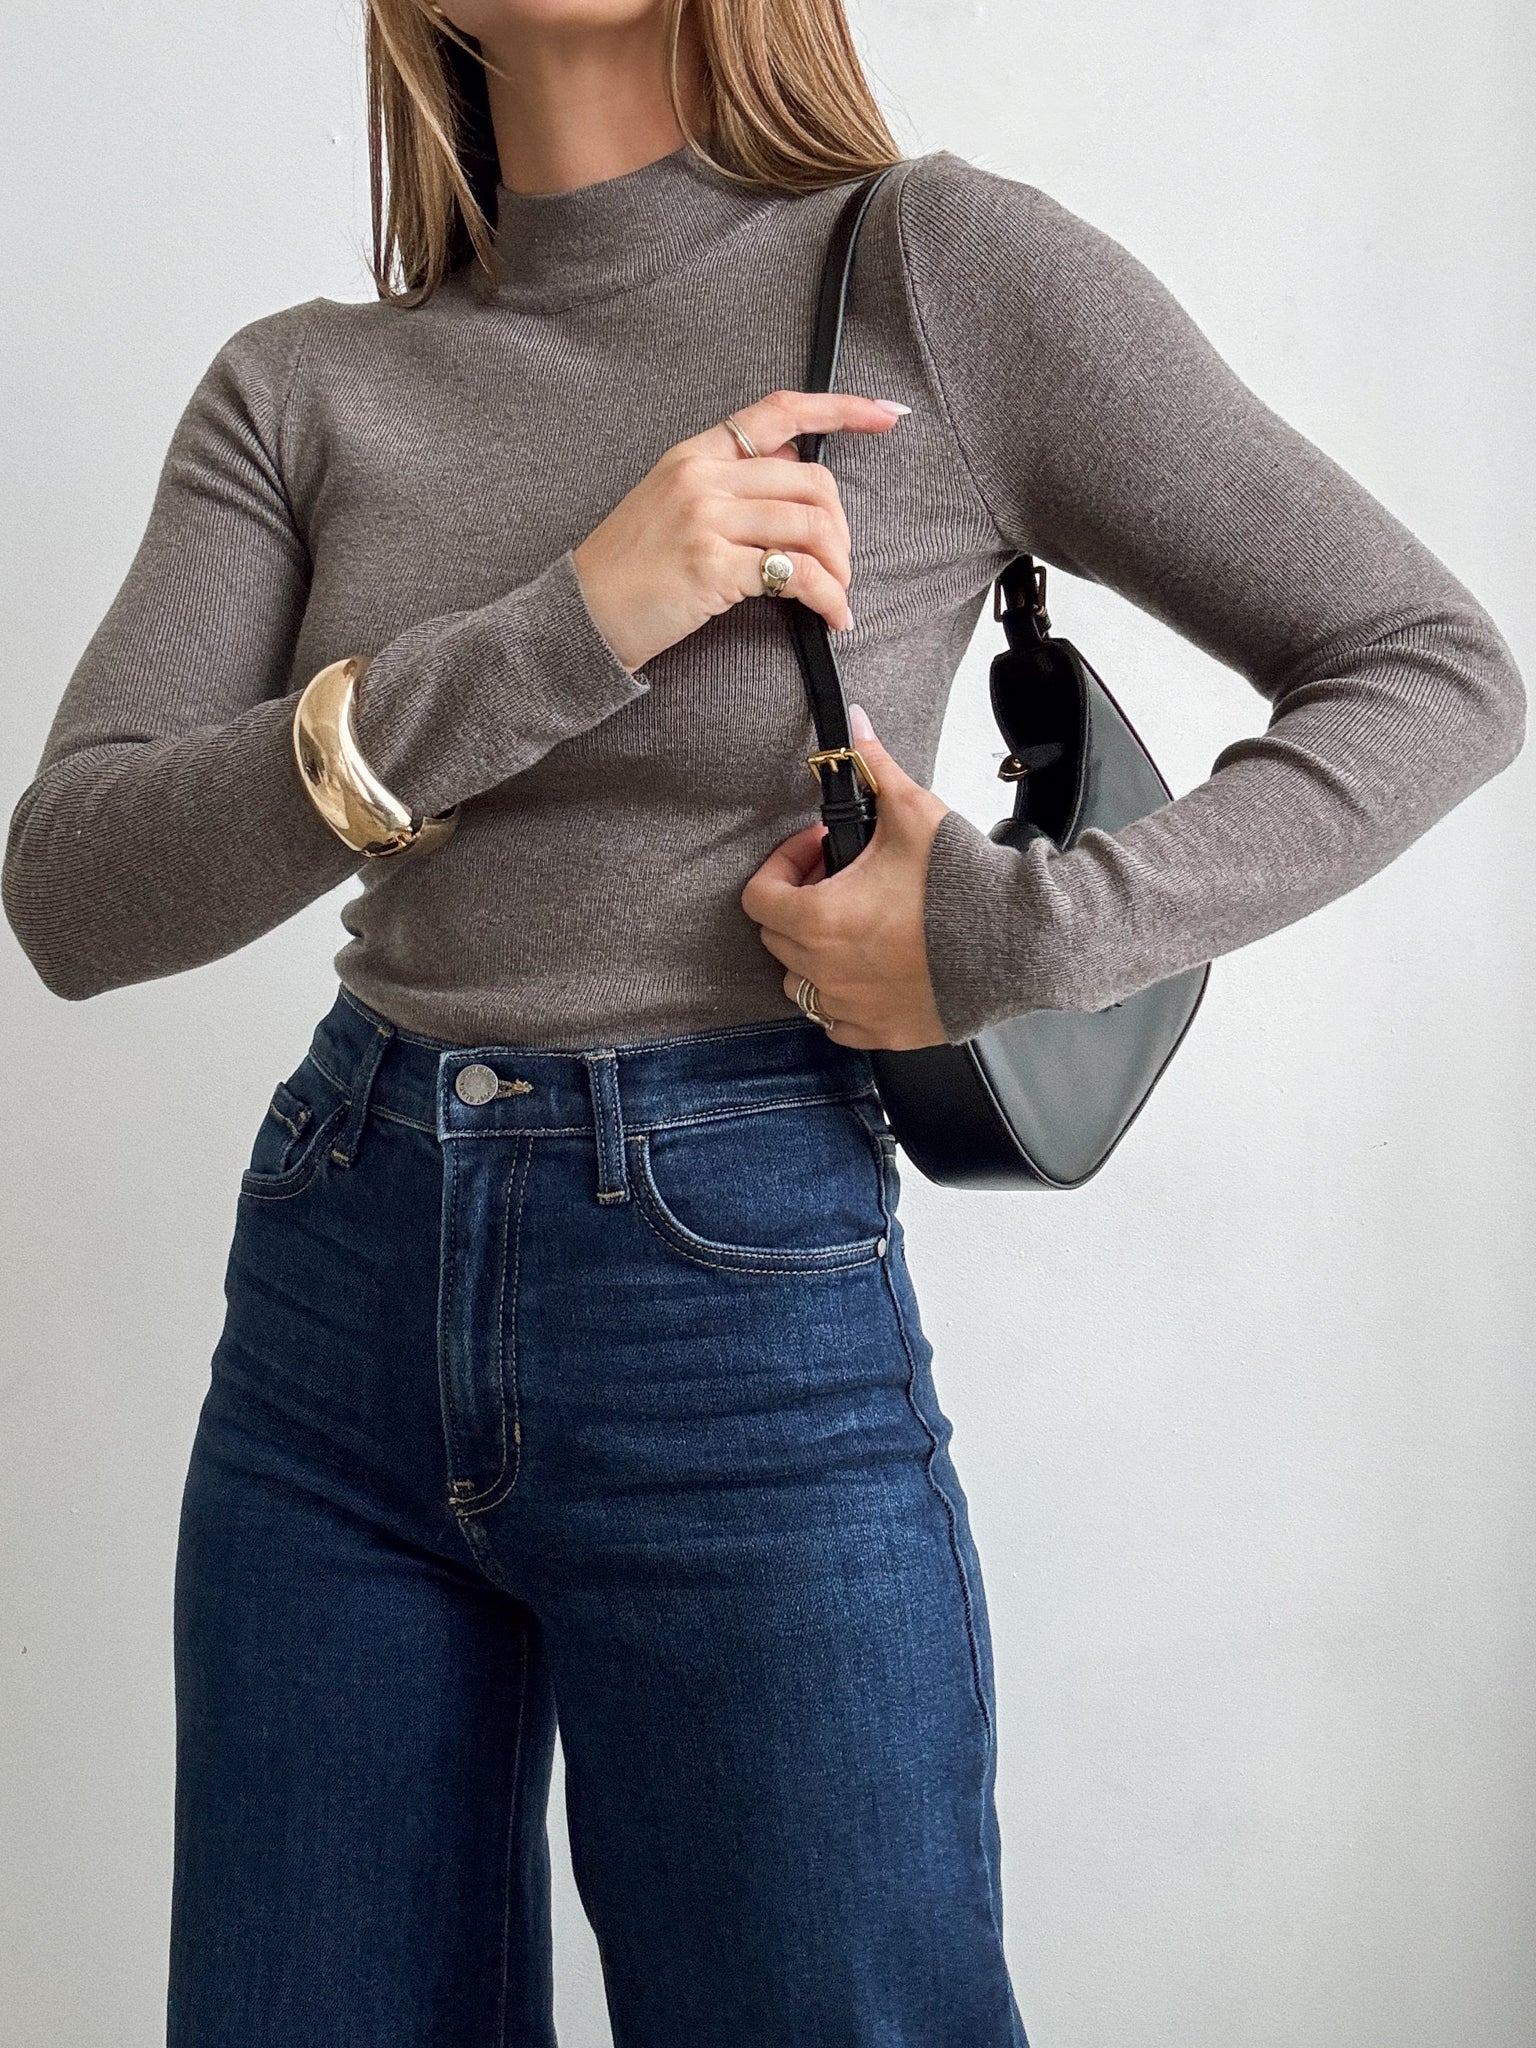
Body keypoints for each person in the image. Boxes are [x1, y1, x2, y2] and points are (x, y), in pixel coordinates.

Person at [3, 1, 1524, 2043]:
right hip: (332, 1302)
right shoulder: (302, 390)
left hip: (731, 1309)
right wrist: (571, 623)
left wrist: (1006, 936)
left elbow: (1430, 669)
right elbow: (74, 889)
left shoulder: (929, 271)